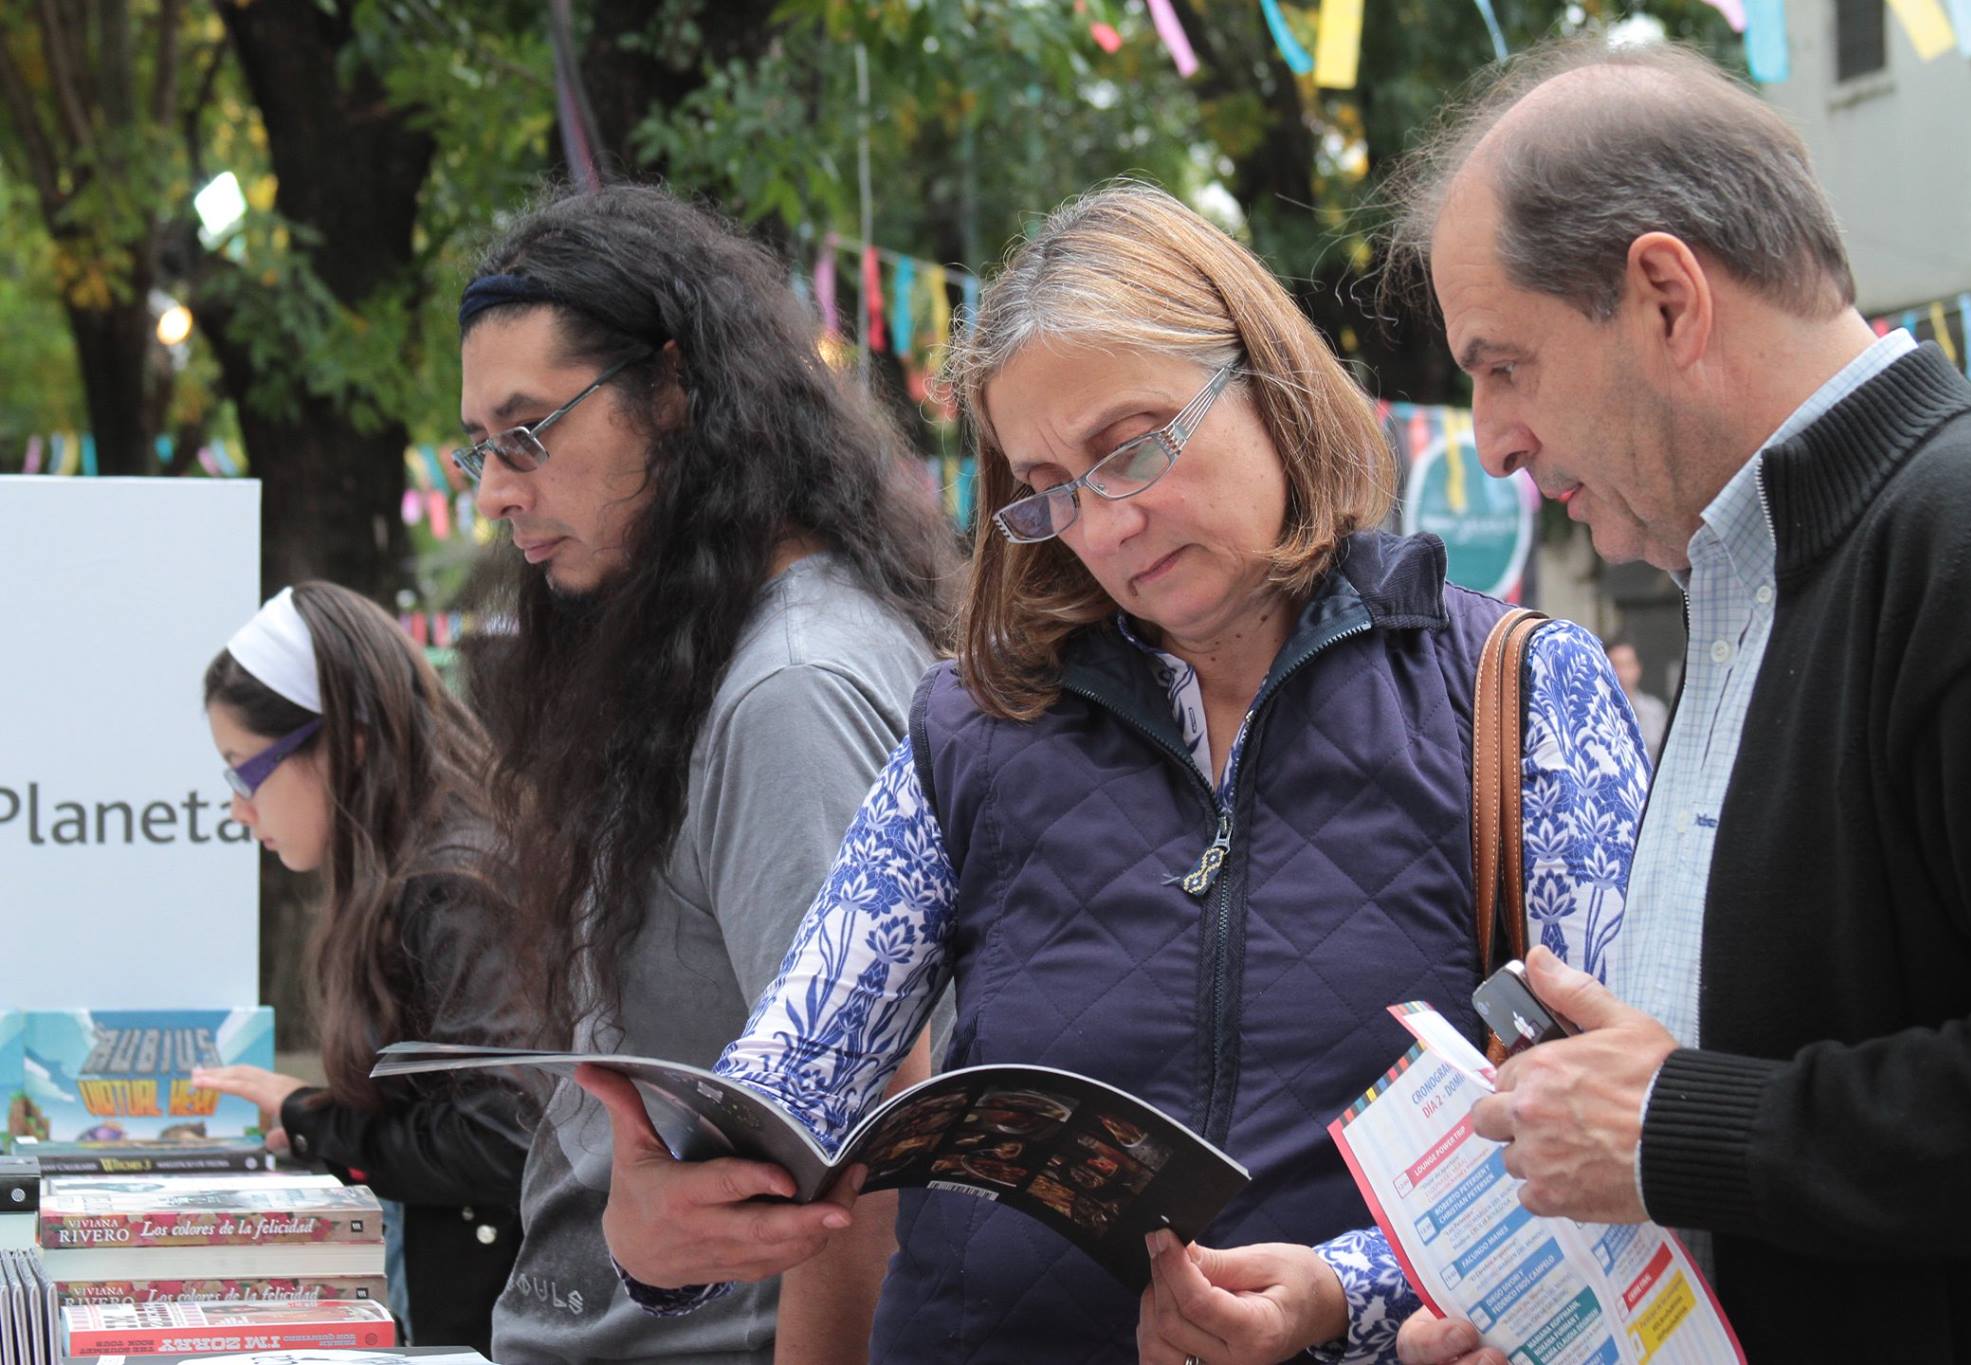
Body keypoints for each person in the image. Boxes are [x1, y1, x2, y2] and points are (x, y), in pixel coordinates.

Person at [580, 182, 1650, 1364]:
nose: (1105, 523)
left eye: (1131, 447)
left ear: (1267, 382)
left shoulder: (1518, 691)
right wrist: (664, 1226)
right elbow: (796, 1063)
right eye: (1046, 488)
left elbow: (1608, 1145)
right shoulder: (971, 727)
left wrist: (1339, 1297)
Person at [1383, 36, 1971, 1365]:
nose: (1493, 437)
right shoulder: (1752, 572)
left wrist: (1678, 1121)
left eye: (1503, 362)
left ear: (1668, 300)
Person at [454, 184, 957, 1365]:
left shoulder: (786, 692)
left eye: (528, 434)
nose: (495, 491)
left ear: (674, 395)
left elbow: (867, 1159)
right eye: (478, 447)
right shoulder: (725, 646)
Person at [192, 582, 532, 1354]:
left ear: (344, 740)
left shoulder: (453, 888)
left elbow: (499, 1139)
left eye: (245, 769)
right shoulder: (426, 871)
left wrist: (317, 1119)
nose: (239, 809)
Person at [1601, 636, 1665, 764]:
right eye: (1616, 666)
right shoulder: (1597, 712)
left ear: (1638, 668)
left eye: (1627, 665)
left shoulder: (1655, 710)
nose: (1622, 673)